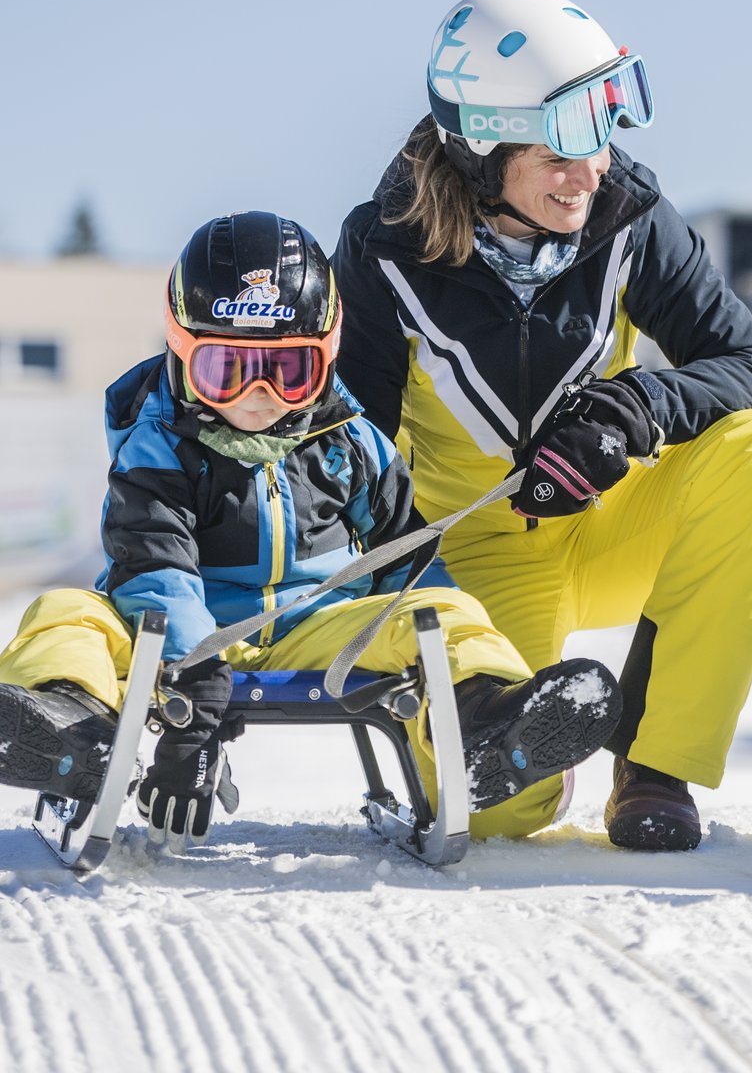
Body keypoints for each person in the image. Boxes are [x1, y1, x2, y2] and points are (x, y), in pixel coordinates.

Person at [331, 0, 752, 851]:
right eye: (561, 146)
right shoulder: (383, 253)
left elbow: (749, 366)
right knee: (499, 809)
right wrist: (396, 596)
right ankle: (535, 759)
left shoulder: (630, 215)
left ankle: (654, 764)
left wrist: (638, 406)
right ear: (483, 152)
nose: (590, 170)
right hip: (476, 548)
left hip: (612, 517)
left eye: (600, 133)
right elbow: (353, 446)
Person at [0, 212, 621, 849]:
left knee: (444, 611)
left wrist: (432, 624)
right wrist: (194, 678)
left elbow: (407, 556)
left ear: (325, 361)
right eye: (225, 370)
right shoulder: (158, 448)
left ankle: (485, 724)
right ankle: (70, 728)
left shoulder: (348, 443)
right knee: (66, 611)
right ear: (181, 354)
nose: (259, 394)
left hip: (319, 630)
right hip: (174, 639)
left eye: (290, 372)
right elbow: (153, 568)